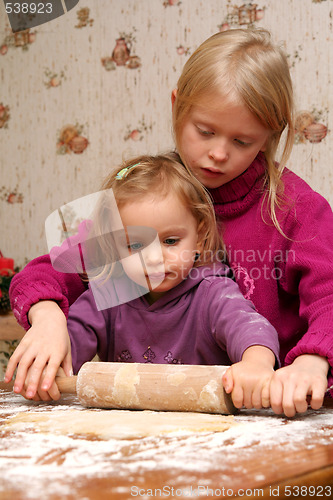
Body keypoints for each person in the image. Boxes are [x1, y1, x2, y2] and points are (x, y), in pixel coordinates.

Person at [6, 28, 333, 417]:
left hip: (271, 414)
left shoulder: (297, 209)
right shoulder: (149, 197)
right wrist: (47, 318)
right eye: (205, 131)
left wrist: (314, 361)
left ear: (269, 135)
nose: (217, 153)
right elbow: (49, 272)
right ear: (177, 106)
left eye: (242, 141)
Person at [63, 154, 280, 412]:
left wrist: (256, 363)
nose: (154, 259)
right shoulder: (109, 293)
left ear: (199, 238)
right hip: (127, 435)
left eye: (170, 241)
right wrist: (50, 363)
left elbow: (248, 327)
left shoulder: (211, 291)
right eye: (135, 245)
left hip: (206, 432)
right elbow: (68, 346)